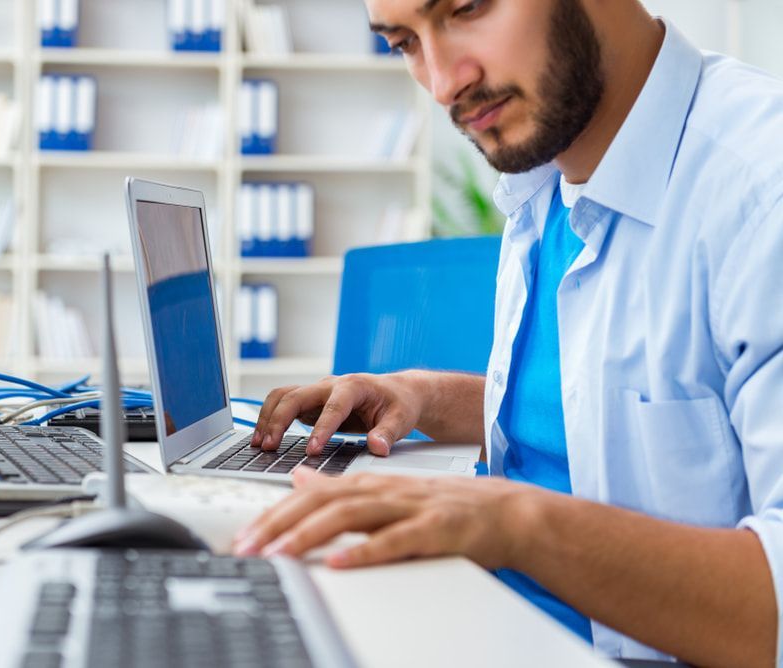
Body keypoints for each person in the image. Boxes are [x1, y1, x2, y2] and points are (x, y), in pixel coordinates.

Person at [232, 0, 783, 665]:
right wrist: (424, 395)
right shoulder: (544, 172)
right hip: (482, 618)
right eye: (405, 42)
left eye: (465, 9)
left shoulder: (760, 193)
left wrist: (511, 522)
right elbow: (604, 413)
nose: (443, 83)